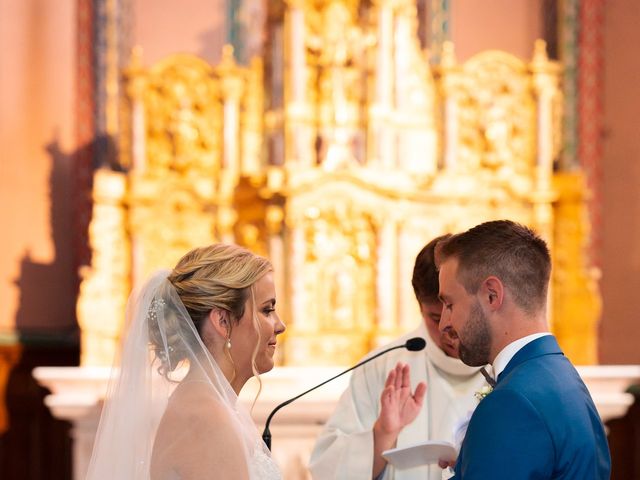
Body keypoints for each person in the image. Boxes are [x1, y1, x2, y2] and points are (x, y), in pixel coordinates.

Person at [86, 243, 286, 479]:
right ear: (223, 321)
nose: (280, 325)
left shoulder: (211, 405)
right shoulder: (207, 420)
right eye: (266, 310)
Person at [436, 220, 610, 479]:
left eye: (449, 304)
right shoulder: (562, 376)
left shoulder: (512, 403)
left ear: (491, 295)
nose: (444, 324)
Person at [308, 235, 491, 480]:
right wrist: (382, 434)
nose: (448, 328)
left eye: (455, 311)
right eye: (435, 319)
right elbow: (327, 469)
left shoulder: (502, 367)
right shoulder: (382, 366)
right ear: (420, 308)